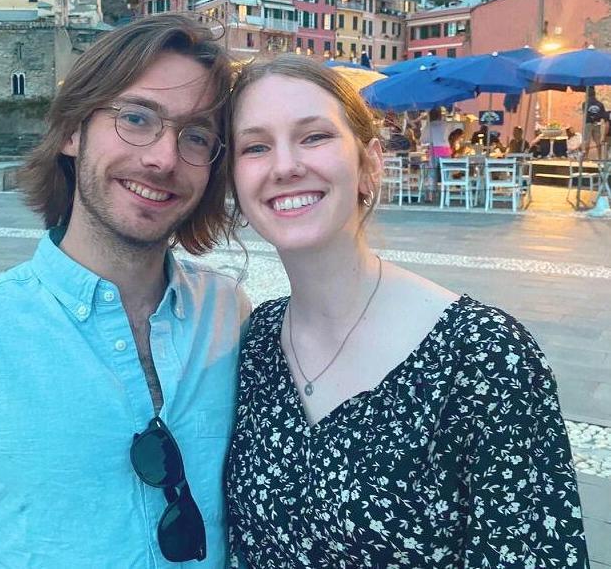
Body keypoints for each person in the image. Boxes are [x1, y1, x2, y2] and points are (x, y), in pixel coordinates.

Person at [0, 15, 250, 567]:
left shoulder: (228, 313)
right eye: (136, 118)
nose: (163, 158)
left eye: (196, 136)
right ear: (72, 132)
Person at [224, 55, 588, 568]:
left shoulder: (484, 357)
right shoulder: (256, 340)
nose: (285, 166)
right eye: (255, 147)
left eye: (314, 137)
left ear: (370, 164)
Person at [582, 86, 607, 159]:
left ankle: (586, 157)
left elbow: (585, 113)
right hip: (597, 123)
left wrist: (591, 117)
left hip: (588, 123)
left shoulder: (585, 103)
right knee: (598, 141)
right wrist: (596, 118)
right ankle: (599, 157)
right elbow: (603, 114)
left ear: (587, 95)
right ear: (595, 94)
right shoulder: (600, 104)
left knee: (587, 141)